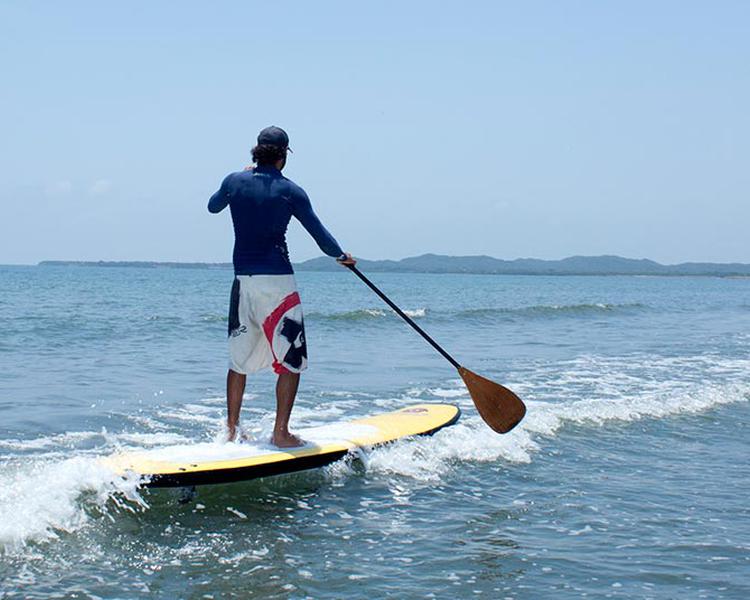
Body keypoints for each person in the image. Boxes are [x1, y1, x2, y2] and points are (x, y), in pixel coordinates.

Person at [208, 126, 355, 447]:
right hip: (277, 284)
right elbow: (320, 235)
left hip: (242, 281)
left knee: (238, 361)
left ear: (256, 151)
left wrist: (241, 177)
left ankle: (231, 431)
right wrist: (342, 256)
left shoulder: (233, 182)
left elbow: (213, 206)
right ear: (283, 157)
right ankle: (281, 433)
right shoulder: (291, 191)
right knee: (290, 359)